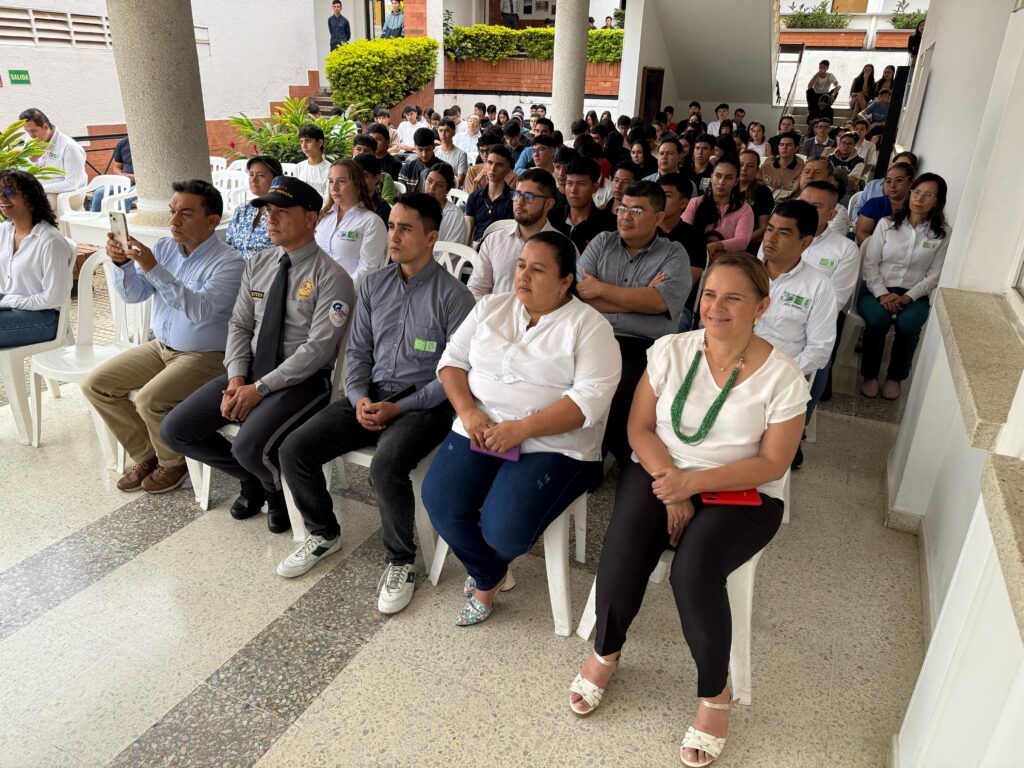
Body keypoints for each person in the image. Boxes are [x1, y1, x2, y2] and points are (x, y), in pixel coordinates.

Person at [568, 253, 808, 768]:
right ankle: (605, 651)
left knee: (693, 571)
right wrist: (672, 487)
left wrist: (692, 484)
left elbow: (772, 463)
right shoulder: (671, 350)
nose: (715, 307)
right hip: (661, 471)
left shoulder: (783, 377)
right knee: (625, 543)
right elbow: (638, 430)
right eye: (709, 294)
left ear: (761, 306)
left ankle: (714, 694)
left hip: (743, 492)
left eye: (733, 297)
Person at [275, 194, 474, 614]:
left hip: (424, 405)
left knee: (387, 464)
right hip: (371, 393)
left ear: (432, 237)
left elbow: (451, 375)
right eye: (391, 225)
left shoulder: (455, 298)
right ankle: (323, 532)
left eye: (405, 228)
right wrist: (360, 397)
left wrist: (398, 409)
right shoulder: (373, 285)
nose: (393, 236)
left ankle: (401, 561)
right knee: (294, 448)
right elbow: (358, 352)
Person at [425, 231, 621, 624]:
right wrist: (467, 412)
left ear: (566, 281)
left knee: (506, 532)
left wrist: (522, 429)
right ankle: (490, 574)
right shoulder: (491, 308)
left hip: (555, 444)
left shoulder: (590, 327)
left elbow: (589, 402)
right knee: (440, 501)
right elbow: (451, 361)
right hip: (479, 429)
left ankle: (486, 570)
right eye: (520, 266)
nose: (523, 276)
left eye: (537, 269)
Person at [161, 177, 353, 533]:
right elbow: (239, 325)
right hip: (249, 372)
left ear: (311, 219)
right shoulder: (259, 263)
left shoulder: (332, 277)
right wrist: (237, 378)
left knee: (248, 447)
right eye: (268, 212)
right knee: (176, 429)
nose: (271, 219)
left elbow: (317, 349)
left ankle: (268, 485)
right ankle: (263, 484)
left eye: (282, 212)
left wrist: (259, 389)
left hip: (303, 381)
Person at [81, 179, 243, 493]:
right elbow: (135, 294)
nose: (173, 221)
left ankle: (173, 462)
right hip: (160, 347)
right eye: (172, 212)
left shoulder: (230, 263)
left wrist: (153, 267)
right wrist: (122, 263)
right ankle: (147, 455)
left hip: (206, 357)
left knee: (148, 400)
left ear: (212, 221)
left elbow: (200, 310)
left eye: (185, 213)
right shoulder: (166, 248)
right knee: (96, 385)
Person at [577, 181, 691, 465]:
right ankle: (585, 449)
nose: (625, 216)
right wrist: (641, 297)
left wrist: (601, 289)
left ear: (658, 218)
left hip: (643, 345)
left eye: (637, 210)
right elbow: (581, 295)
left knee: (620, 388)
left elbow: (659, 304)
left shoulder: (673, 253)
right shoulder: (602, 242)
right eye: (623, 208)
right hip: (592, 335)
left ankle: (612, 455)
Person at [858, 173, 950, 401]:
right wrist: (883, 294)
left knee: (909, 324)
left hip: (914, 295)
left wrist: (908, 297)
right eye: (916, 192)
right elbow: (870, 264)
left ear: (937, 201)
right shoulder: (887, 224)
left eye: (928, 195)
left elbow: (935, 274)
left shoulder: (942, 234)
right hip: (876, 290)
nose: (919, 199)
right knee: (878, 320)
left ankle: (895, 377)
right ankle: (869, 375)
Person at [795, 181, 861, 432]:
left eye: (816, 207)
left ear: (832, 214)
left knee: (818, 356)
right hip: (770, 318)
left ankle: (798, 429)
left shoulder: (844, 249)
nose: (807, 211)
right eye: (803, 203)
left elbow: (834, 302)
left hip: (814, 326)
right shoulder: (776, 236)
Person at [0, 170, 73, 348]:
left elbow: (54, 298)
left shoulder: (49, 241)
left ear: (30, 198)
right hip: (8, 310)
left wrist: (9, 300)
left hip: (44, 318)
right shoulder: (3, 231)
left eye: (9, 192)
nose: (2, 198)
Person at [315, 158, 388, 288]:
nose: (335, 188)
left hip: (347, 294)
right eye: (331, 181)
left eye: (341, 181)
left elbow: (367, 270)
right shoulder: (324, 216)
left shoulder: (371, 222)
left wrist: (337, 291)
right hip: (315, 289)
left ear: (357, 184)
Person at [657, 173, 705, 332]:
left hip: (677, 308)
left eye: (667, 195)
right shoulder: (645, 231)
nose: (660, 200)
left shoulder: (695, 238)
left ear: (683, 203)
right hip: (638, 300)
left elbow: (682, 285)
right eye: (658, 194)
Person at [682, 156, 753, 259]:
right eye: (718, 176)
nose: (721, 182)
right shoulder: (695, 203)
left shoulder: (744, 209)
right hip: (694, 259)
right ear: (711, 177)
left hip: (728, 263)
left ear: (736, 181)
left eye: (728, 178)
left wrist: (716, 246)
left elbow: (742, 241)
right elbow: (684, 232)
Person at [549, 158, 617, 254]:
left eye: (581, 184)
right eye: (569, 183)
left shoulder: (610, 225)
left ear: (595, 187)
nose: (573, 190)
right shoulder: (551, 218)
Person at [225, 155, 282, 260]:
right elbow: (229, 245)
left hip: (268, 272)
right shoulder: (242, 210)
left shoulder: (283, 213)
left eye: (261, 175)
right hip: (237, 270)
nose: (254, 180)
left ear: (276, 179)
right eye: (251, 174)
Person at [18, 108, 87, 195]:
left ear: (45, 127)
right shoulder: (30, 140)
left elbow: (72, 184)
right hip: (39, 190)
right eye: (27, 131)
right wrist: (32, 159)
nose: (31, 136)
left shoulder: (70, 147)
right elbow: (22, 172)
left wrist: (38, 189)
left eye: (34, 131)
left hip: (67, 195)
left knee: (30, 204)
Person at [465, 145, 517, 245]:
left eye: (499, 165)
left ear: (508, 169)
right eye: (489, 163)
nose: (493, 168)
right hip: (476, 247)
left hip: (501, 246)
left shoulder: (514, 200)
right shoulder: (474, 197)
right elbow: (468, 232)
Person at [854, 161, 913, 244]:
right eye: (888, 181)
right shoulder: (875, 204)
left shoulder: (916, 206)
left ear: (911, 183)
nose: (892, 185)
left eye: (899, 180)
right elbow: (860, 234)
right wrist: (887, 248)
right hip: (873, 251)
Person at [737, 150, 773, 254]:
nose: (744, 169)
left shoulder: (763, 192)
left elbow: (763, 228)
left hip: (748, 246)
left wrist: (738, 243)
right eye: (741, 165)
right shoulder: (728, 187)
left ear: (757, 170)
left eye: (750, 166)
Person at [425, 162, 469, 245]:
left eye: (439, 185)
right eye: (429, 181)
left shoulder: (454, 215)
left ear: (447, 189)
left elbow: (452, 253)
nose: (432, 188)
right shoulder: (415, 206)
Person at [90, 135, 135, 212]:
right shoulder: (123, 143)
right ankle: (97, 221)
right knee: (99, 193)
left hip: (144, 183)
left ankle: (121, 223)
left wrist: (136, 178)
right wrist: (122, 176)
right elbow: (116, 167)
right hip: (126, 181)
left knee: (124, 198)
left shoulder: (149, 142)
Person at [760, 132, 804, 201]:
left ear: (796, 148)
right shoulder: (765, 167)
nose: (784, 147)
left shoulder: (802, 171)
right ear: (778, 147)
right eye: (781, 145)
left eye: (789, 145)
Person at [398, 127, 443, 194]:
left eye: (427, 150)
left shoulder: (443, 169)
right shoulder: (407, 169)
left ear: (434, 146)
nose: (424, 154)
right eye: (420, 150)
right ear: (415, 147)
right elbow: (402, 195)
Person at [353, 153, 393, 226]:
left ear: (376, 178)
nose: (358, 180)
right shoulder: (345, 203)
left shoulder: (382, 209)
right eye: (354, 175)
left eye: (364, 176)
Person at [295, 124, 330, 196]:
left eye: (307, 141)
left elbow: (329, 201)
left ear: (319, 143)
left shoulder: (330, 169)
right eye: (301, 141)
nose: (304, 145)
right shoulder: (299, 167)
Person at [435, 118, 469, 188]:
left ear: (453, 132)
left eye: (447, 130)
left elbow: (460, 181)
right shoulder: (434, 151)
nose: (443, 134)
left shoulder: (461, 154)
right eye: (440, 131)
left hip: (452, 191)